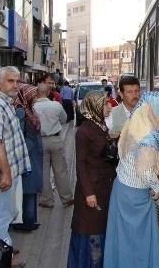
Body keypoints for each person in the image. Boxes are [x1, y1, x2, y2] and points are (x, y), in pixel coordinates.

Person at [104, 91, 159, 267]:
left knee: (122, 238)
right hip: (135, 196)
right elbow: (145, 172)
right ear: (156, 110)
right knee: (138, 241)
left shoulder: (136, 123)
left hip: (122, 188)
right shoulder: (149, 136)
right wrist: (157, 186)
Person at [0, 66, 31, 268]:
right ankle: (1, 257)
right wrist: (6, 173)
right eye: (10, 81)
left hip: (9, 172)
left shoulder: (6, 103)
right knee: (0, 215)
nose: (15, 85)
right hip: (2, 174)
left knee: (6, 212)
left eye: (17, 81)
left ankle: (3, 250)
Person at [68, 91, 116, 268]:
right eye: (105, 104)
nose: (110, 107)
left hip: (103, 188)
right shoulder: (85, 131)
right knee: (91, 233)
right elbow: (80, 165)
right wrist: (88, 193)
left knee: (99, 230)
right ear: (95, 106)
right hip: (92, 191)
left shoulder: (100, 126)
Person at [34, 83, 73, 208]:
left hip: (40, 141)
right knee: (61, 170)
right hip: (55, 139)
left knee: (44, 172)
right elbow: (64, 119)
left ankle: (46, 200)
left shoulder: (32, 107)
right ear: (48, 93)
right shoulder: (56, 105)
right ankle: (67, 198)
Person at [12, 83, 43, 231]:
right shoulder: (21, 111)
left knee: (31, 188)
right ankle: (27, 221)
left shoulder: (28, 109)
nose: (35, 98)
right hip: (27, 154)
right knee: (28, 188)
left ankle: (31, 220)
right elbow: (18, 134)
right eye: (33, 95)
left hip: (33, 153)